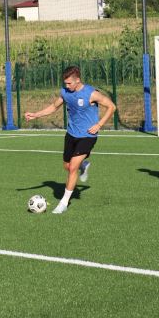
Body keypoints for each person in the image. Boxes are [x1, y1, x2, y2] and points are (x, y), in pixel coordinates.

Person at [25, 66, 116, 214]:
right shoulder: (65, 92)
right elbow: (53, 107)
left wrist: (99, 124)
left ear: (77, 80)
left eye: (69, 83)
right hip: (71, 134)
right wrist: (35, 115)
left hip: (88, 135)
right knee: (67, 166)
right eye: (65, 83)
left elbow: (111, 107)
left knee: (73, 168)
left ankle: (64, 203)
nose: (66, 86)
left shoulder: (91, 93)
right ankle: (83, 164)